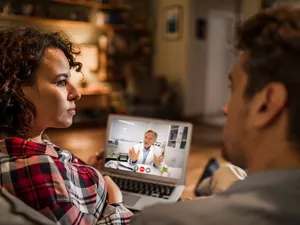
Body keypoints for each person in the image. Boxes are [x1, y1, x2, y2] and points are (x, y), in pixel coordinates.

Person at [131, 3, 300, 225]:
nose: (225, 108)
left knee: (218, 173)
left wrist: (114, 204)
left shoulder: (160, 220)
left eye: (234, 89)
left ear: (266, 104)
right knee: (222, 174)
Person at [0, 27, 133, 224]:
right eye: (61, 82)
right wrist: (115, 203)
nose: (76, 93)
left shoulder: (24, 147)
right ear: (15, 89)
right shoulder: (38, 170)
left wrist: (88, 169)